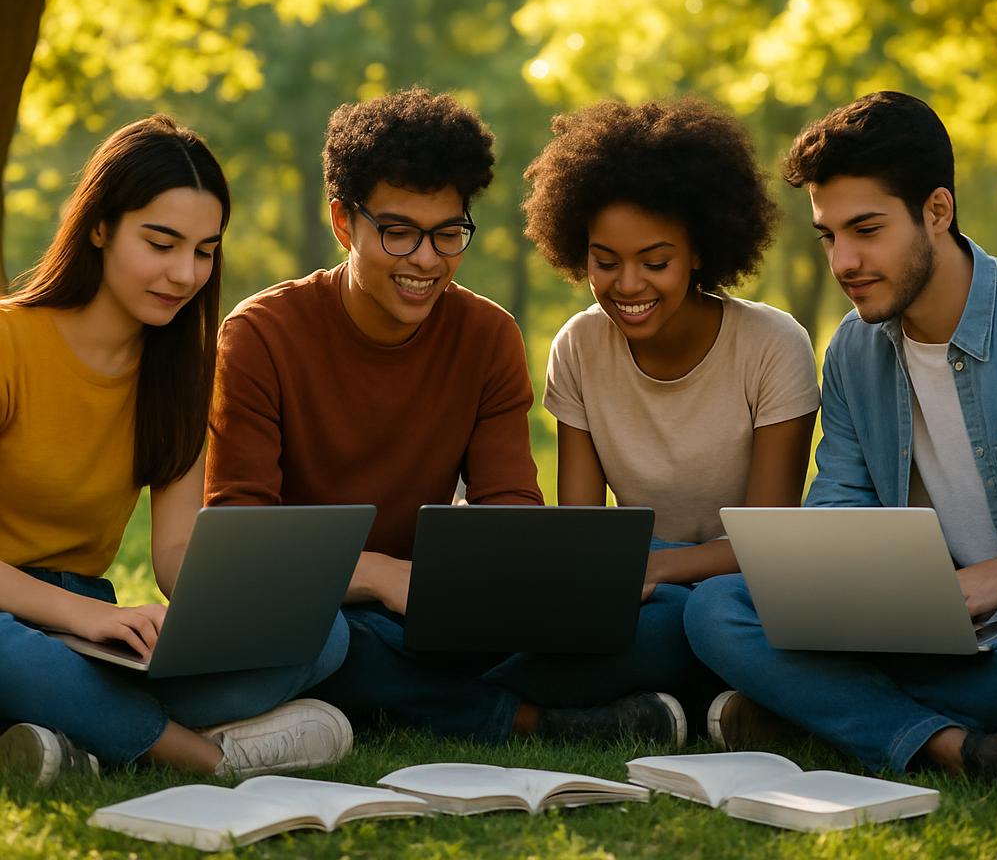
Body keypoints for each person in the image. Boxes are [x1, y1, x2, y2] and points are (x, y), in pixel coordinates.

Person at [206, 88, 692, 745]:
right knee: (325, 645)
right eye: (399, 233)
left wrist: (516, 589)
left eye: (448, 233)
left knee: (666, 624)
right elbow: (241, 540)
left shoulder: (487, 335)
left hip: (441, 614)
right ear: (345, 223)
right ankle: (527, 721)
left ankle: (412, 699)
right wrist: (377, 575)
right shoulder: (260, 334)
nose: (427, 260)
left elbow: (511, 505)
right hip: (326, 608)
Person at [0, 116, 351, 787]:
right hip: (24, 620)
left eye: (204, 250)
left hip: (90, 637)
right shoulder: (10, 342)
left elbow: (176, 558)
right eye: (160, 243)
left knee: (324, 631)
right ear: (99, 226)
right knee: (10, 656)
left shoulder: (181, 372)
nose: (184, 273)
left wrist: (239, 607)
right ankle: (207, 757)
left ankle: (76, 735)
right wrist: (90, 615)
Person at [684, 90, 997, 783]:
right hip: (919, 633)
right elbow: (838, 506)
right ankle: (953, 750)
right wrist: (845, 592)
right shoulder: (853, 351)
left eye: (866, 230)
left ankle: (823, 712)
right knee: (717, 609)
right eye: (829, 235)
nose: (843, 262)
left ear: (937, 210)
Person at [521, 98, 820, 723]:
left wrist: (657, 567)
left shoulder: (772, 345)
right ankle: (719, 696)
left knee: (703, 621)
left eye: (655, 262)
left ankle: (539, 705)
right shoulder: (578, 346)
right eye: (606, 263)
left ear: (700, 252)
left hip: (738, 589)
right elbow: (584, 536)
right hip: (636, 584)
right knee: (625, 630)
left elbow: (767, 540)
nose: (628, 286)